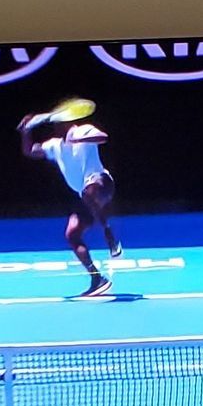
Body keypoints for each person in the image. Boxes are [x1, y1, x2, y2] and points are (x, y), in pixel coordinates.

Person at [21, 100, 123, 298]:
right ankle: (97, 278)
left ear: (67, 123)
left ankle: (109, 234)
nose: (55, 127)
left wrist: (81, 139)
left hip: (102, 185)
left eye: (58, 124)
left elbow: (103, 137)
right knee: (72, 234)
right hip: (85, 198)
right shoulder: (55, 145)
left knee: (88, 192)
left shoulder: (82, 130)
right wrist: (25, 131)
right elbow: (30, 151)